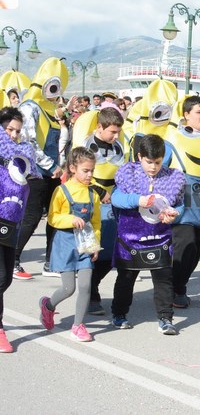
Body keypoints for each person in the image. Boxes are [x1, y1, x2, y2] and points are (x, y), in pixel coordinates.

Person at [110, 134, 185, 334]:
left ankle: (166, 318)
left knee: (164, 278)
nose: (153, 167)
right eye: (148, 162)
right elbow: (116, 198)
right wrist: (137, 200)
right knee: (126, 278)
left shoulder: (173, 177)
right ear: (139, 157)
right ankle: (119, 314)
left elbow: (180, 204)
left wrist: (174, 214)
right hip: (130, 236)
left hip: (160, 236)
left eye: (157, 162)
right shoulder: (127, 173)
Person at [15, 58, 73, 280]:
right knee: (31, 217)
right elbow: (28, 142)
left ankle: (52, 263)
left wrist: (59, 166)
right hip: (34, 172)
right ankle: (12, 260)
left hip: (52, 172)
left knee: (55, 217)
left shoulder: (50, 109)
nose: (55, 92)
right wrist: (50, 165)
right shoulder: (29, 107)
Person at [39, 147, 101, 342]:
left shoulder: (93, 195)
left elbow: (96, 223)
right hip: (66, 244)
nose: (90, 175)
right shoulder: (61, 190)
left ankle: (78, 326)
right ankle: (48, 306)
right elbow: (53, 217)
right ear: (73, 168)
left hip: (85, 244)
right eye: (86, 170)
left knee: (85, 285)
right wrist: (70, 219)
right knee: (69, 288)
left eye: (92, 170)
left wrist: (95, 244)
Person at [73, 107, 127, 316]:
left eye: (118, 132)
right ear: (99, 127)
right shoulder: (86, 145)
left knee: (110, 252)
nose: (116, 136)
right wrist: (99, 190)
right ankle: (89, 295)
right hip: (89, 202)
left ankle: (92, 286)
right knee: (92, 250)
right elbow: (79, 174)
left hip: (112, 205)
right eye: (112, 132)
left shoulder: (119, 146)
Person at [163, 96, 200, 308]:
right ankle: (174, 289)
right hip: (180, 197)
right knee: (185, 244)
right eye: (198, 112)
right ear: (186, 115)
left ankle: (178, 286)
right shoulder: (173, 137)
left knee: (195, 249)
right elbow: (161, 167)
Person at [0, 107, 38, 352]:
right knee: (1, 277)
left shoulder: (21, 157)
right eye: (9, 130)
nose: (13, 135)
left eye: (17, 131)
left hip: (11, 222)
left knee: (6, 281)